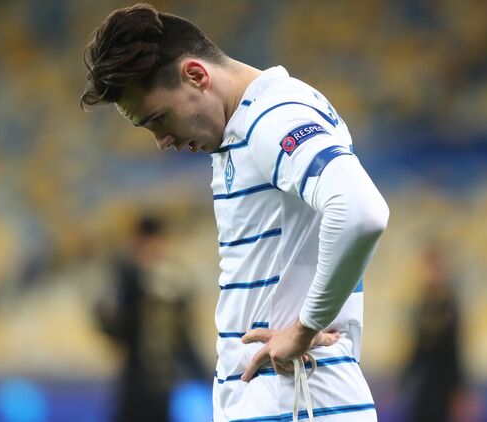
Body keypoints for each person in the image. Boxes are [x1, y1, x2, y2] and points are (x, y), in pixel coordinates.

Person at [81, 4, 390, 421]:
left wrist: (305, 327)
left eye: (159, 119)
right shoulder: (241, 127)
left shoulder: (275, 116)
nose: (162, 141)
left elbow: (361, 210)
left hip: (298, 400)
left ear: (196, 75)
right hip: (280, 401)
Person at [95, 216, 205, 422]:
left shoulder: (174, 282)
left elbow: (184, 337)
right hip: (134, 379)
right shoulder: (127, 277)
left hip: (166, 382)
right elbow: (112, 327)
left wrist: (200, 374)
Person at [399, 246, 467, 422]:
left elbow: (455, 350)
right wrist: (403, 380)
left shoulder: (449, 305)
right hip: (422, 384)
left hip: (442, 384)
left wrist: (460, 390)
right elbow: (417, 349)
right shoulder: (422, 304)